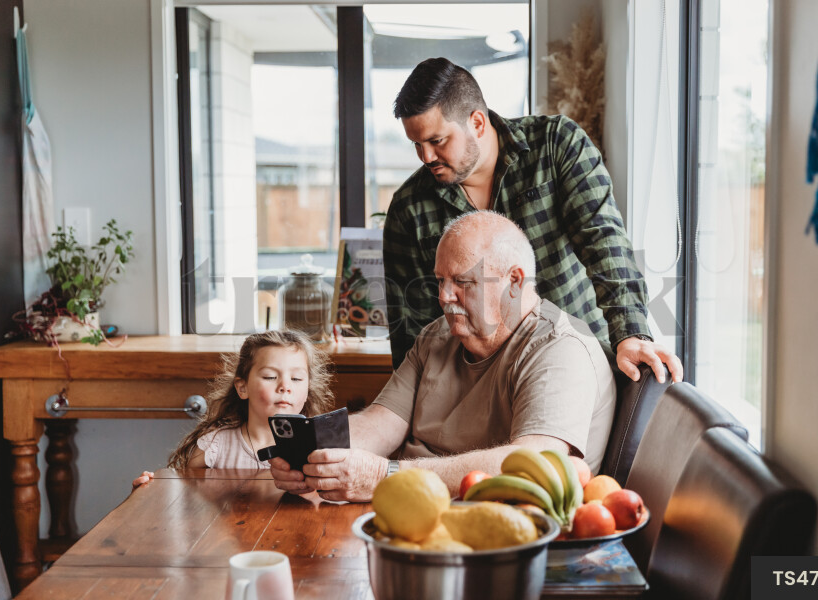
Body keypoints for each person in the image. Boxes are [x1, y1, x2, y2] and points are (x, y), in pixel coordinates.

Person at [271, 212, 616, 502]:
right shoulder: (437, 335)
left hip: (490, 529)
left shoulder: (559, 349)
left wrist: (382, 475)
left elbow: (532, 461)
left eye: (463, 282)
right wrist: (314, 456)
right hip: (409, 508)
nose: (444, 296)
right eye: (440, 280)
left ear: (514, 280)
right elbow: (380, 424)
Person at [383, 57, 683, 384]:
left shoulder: (556, 145)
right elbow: (412, 332)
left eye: (437, 141)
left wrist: (631, 334)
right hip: (480, 390)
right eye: (417, 144)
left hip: (582, 369)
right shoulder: (408, 209)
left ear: (478, 123)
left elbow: (606, 246)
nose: (426, 157)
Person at [133, 330, 334, 488]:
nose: (285, 386)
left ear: (308, 389)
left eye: (297, 378)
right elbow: (183, 495)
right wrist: (151, 488)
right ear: (243, 388)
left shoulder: (319, 448)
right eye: (270, 377)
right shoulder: (215, 446)